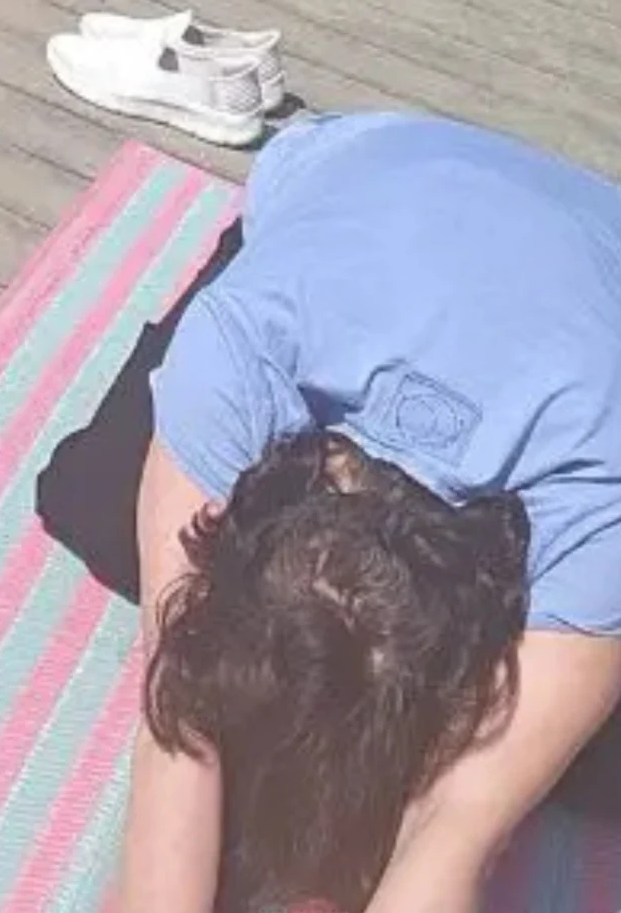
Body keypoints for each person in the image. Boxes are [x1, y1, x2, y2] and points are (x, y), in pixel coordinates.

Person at [114, 113, 621, 913]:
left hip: (590, 271)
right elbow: (175, 694)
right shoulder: (236, 352)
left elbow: (461, 834)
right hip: (370, 170)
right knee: (95, 491)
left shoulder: (606, 489)